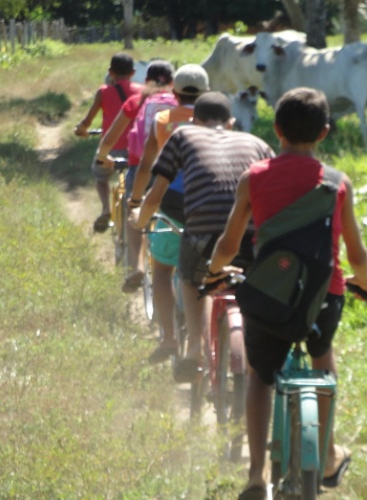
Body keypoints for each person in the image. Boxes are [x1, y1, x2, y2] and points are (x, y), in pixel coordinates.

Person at [203, 87, 367, 500]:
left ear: (276, 129)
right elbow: (356, 253)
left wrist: (213, 273)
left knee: (261, 377)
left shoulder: (255, 177)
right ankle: (330, 452)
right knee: (323, 359)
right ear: (326, 133)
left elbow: (229, 243)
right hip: (324, 298)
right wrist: (363, 282)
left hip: (269, 297)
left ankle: (256, 475)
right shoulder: (338, 184)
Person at [131, 86, 275, 374]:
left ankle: (195, 349)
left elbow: (156, 194)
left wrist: (139, 219)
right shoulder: (258, 144)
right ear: (231, 122)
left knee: (191, 278)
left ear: (194, 120)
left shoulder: (182, 135)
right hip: (251, 237)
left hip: (201, 236)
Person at [130, 64, 207, 363]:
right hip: (207, 205)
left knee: (162, 271)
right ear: (206, 93)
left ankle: (170, 339)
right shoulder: (216, 121)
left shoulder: (163, 120)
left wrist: (136, 199)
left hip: (170, 201)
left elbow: (147, 164)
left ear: (173, 92)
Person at [94, 60, 177, 293]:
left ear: (146, 80)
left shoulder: (137, 100)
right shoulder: (178, 101)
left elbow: (110, 137)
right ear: (171, 82)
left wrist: (102, 156)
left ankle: (138, 266)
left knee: (134, 213)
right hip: (174, 170)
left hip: (141, 167)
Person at [74, 52, 142, 233]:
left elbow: (88, 121)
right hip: (137, 149)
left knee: (101, 178)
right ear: (133, 72)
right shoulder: (142, 92)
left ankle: (106, 208)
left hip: (110, 150)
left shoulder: (103, 92)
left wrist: (81, 129)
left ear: (110, 72)